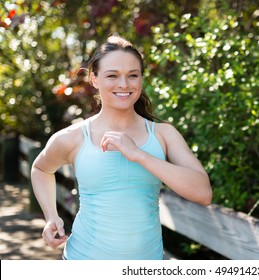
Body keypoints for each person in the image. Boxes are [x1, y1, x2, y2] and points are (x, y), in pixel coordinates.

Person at [31, 35, 212, 260]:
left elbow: (203, 193)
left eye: (133, 76)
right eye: (112, 75)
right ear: (94, 79)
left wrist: (138, 154)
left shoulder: (164, 134)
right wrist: (51, 216)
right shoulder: (73, 137)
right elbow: (40, 170)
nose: (124, 85)